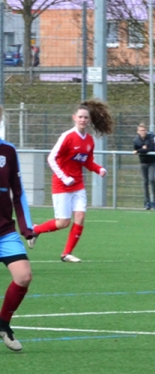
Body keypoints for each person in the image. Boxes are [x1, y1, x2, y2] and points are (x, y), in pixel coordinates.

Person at [30, 100, 111, 263]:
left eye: (86, 117)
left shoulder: (89, 140)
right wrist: (64, 178)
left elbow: (87, 162)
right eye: (80, 117)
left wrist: (99, 169)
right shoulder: (67, 137)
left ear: (89, 120)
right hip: (62, 185)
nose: (83, 120)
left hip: (78, 185)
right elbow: (51, 158)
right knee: (63, 223)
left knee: (80, 217)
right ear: (74, 118)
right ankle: (35, 230)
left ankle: (66, 254)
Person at [0, 106, 36, 351]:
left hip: (4, 230)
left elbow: (18, 192)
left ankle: (3, 324)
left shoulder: (8, 151)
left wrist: (27, 228)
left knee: (24, 276)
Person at [133, 122, 155, 210]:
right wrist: (142, 149)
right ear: (138, 131)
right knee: (145, 182)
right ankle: (147, 202)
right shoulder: (136, 140)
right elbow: (135, 149)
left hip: (151, 162)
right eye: (141, 130)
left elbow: (151, 149)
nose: (142, 132)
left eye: (144, 130)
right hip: (143, 162)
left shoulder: (151, 138)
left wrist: (140, 150)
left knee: (151, 180)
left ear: (146, 130)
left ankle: (154, 202)